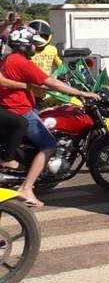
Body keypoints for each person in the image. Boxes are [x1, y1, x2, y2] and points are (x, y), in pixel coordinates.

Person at [0, 27, 100, 206]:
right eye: (32, 44)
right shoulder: (22, 62)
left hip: (16, 107)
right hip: (20, 109)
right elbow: (50, 82)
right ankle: (26, 188)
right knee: (49, 145)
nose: (34, 47)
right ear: (23, 46)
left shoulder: (8, 59)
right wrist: (81, 93)